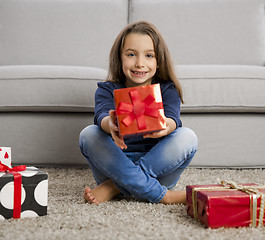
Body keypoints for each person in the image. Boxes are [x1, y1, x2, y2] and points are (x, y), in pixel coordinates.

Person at [79, 21, 198, 205]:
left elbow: (173, 119)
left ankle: (114, 187)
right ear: (120, 58)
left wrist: (166, 126)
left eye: (149, 55)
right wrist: (110, 125)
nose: (140, 63)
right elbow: (101, 115)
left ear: (159, 62)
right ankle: (163, 196)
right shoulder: (107, 89)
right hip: (116, 162)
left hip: (158, 168)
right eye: (131, 54)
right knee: (88, 134)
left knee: (188, 136)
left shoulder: (167, 90)